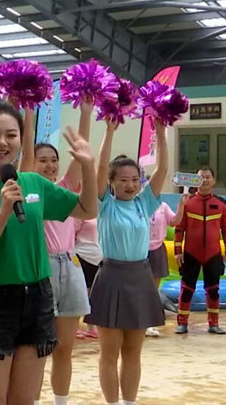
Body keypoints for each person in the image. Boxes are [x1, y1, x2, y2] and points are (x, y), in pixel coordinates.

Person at [0, 101, 98, 405]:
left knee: (24, 398)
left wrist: (88, 166)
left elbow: (87, 209)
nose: (2, 142)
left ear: (21, 139)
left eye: (11, 135)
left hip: (38, 297)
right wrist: (3, 211)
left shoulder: (33, 183)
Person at [84, 120, 168, 405]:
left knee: (133, 352)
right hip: (111, 279)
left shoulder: (144, 203)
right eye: (123, 180)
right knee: (109, 353)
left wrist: (161, 132)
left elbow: (162, 170)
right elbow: (99, 167)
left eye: (135, 179)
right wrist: (109, 131)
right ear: (111, 182)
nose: (131, 185)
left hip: (140, 279)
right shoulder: (105, 204)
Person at [21, 102, 95, 405]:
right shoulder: (28, 190)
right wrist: (28, 111)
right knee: (39, 346)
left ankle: (60, 401)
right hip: (42, 268)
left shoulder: (64, 189)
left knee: (65, 348)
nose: (50, 165)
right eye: (43, 160)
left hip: (71, 265)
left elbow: (81, 156)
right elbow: (25, 157)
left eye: (54, 160)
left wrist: (86, 113)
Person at [174, 167, 226, 335]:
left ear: (214, 181)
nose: (204, 180)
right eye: (200, 177)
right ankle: (182, 323)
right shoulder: (187, 202)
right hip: (191, 254)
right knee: (187, 289)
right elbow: (179, 228)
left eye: (207, 177)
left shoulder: (221, 204)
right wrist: (177, 251)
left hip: (213, 254)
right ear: (194, 181)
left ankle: (214, 324)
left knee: (213, 290)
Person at [145, 194, 184, 337]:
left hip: (157, 249)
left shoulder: (163, 206)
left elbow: (175, 221)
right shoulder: (137, 205)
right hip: (139, 249)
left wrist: (181, 204)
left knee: (154, 290)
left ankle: (149, 324)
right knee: (138, 287)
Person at [73, 218, 101, 340]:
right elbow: (71, 233)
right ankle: (74, 326)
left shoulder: (103, 213)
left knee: (94, 293)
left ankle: (91, 326)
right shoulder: (80, 215)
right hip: (82, 255)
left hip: (98, 257)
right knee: (80, 293)